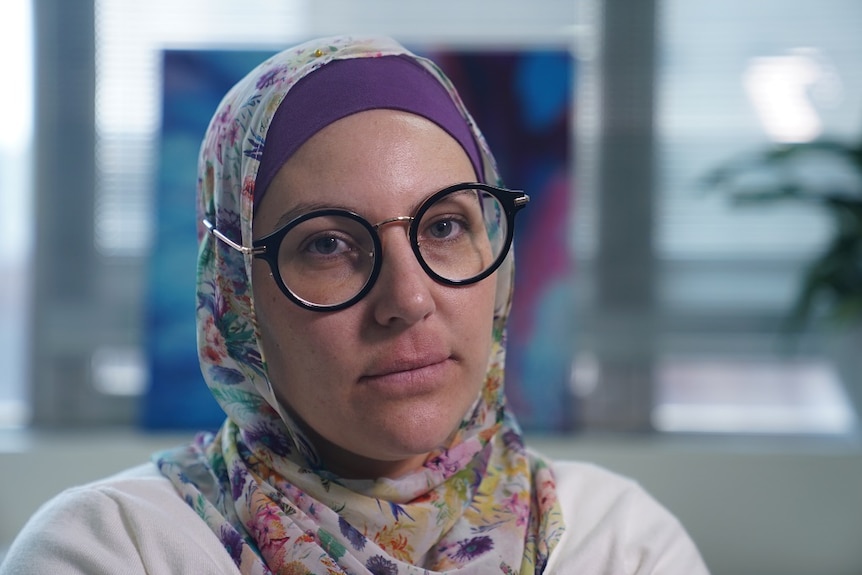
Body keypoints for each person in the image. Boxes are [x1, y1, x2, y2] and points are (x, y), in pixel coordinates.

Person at [1, 36, 709, 574]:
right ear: (235, 294)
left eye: (444, 225)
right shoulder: (113, 548)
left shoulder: (619, 543)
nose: (407, 298)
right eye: (328, 245)